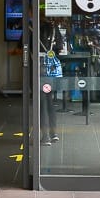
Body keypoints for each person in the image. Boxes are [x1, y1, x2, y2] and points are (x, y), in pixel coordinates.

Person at [39, 17, 64, 146]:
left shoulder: (32, 28)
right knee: (50, 102)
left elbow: (22, 46)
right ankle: (54, 134)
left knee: (41, 104)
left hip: (39, 71)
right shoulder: (54, 29)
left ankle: (45, 137)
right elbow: (60, 46)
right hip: (51, 72)